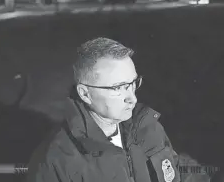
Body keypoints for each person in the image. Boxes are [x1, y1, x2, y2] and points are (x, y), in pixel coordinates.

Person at [27, 37, 180, 182]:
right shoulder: (57, 159)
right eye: (118, 88)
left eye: (133, 83)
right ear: (85, 94)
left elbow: (179, 170)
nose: (132, 98)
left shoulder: (147, 127)